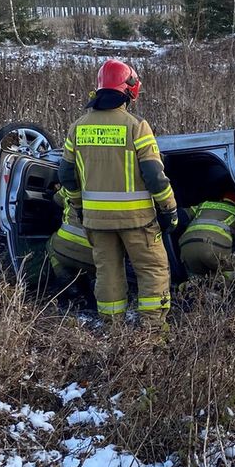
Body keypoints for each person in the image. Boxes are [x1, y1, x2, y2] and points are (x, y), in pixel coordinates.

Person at [57, 59, 178, 331]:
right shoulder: (136, 126)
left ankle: (114, 332)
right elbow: (154, 175)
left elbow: (65, 175)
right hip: (138, 220)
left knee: (108, 274)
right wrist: (169, 209)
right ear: (130, 89)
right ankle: (152, 334)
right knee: (152, 271)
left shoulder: (78, 128)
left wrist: (78, 205)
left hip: (97, 221)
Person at [179, 191, 235, 279]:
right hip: (216, 249)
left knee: (195, 282)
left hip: (187, 247)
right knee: (227, 279)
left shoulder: (204, 205)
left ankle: (188, 288)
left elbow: (181, 215)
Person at [45, 183, 95, 292]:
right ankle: (93, 280)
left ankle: (64, 276)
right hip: (94, 258)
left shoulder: (73, 184)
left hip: (64, 250)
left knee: (50, 243)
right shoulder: (110, 191)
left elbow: (56, 200)